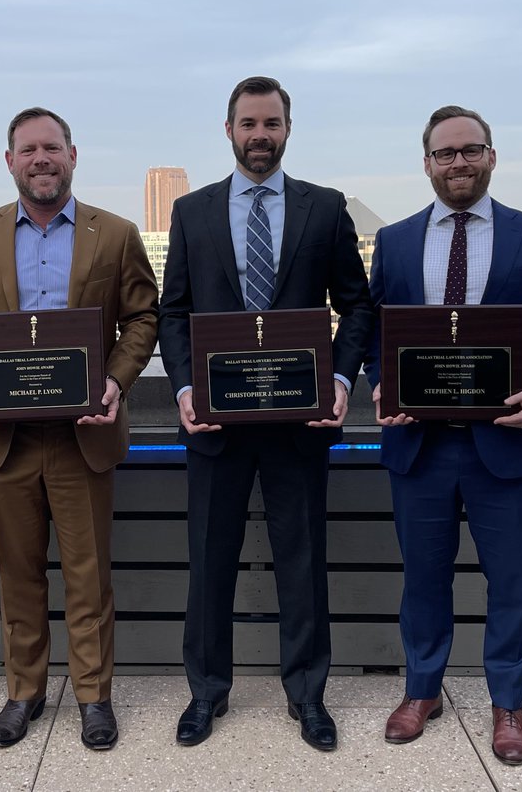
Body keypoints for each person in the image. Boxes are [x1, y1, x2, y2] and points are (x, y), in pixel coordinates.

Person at [364, 105, 522, 765]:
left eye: (470, 150)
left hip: (508, 441)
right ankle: (423, 690)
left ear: (491, 156)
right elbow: (377, 329)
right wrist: (383, 381)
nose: (458, 163)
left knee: (514, 582)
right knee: (423, 579)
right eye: (445, 153)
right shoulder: (399, 240)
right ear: (427, 163)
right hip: (421, 445)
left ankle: (508, 704)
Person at [158, 76, 374, 751]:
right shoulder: (192, 212)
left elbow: (357, 304)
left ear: (287, 129)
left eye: (272, 123)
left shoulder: (326, 207)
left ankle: (307, 695)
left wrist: (340, 377)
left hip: (299, 423)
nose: (260, 136)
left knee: (303, 563)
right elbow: (174, 312)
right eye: (249, 124)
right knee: (209, 562)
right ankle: (206, 693)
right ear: (229, 130)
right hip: (215, 424)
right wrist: (187, 390)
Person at [0, 107, 158, 751]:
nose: (41, 159)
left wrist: (113, 382)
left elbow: (143, 316)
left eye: (52, 148)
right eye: (28, 149)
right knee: (18, 571)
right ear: (10, 161)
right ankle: (24, 692)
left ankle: (93, 696)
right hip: (5, 436)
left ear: (73, 155)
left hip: (80, 435)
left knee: (89, 575)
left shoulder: (112, 234)